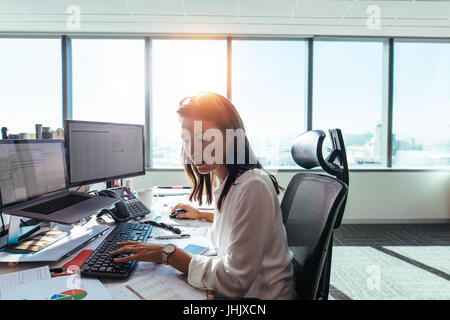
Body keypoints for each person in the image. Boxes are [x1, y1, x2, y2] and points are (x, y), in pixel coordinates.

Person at [111, 92, 295, 299]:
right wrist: (201, 214)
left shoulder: (253, 185)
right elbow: (238, 226)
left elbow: (233, 283)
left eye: (205, 139)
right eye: (186, 140)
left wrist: (169, 254)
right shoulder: (231, 182)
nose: (193, 150)